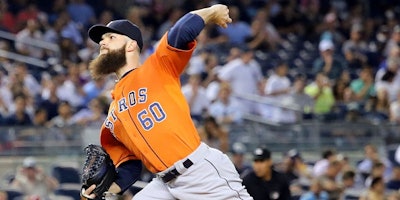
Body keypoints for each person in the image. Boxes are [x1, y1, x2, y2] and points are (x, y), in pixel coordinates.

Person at [81, 4, 253, 200]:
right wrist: (101, 190)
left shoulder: (156, 68)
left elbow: (181, 31)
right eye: (101, 40)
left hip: (200, 173)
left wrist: (212, 11)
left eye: (111, 37)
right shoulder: (113, 114)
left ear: (131, 45)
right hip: (164, 184)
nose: (102, 43)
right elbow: (129, 165)